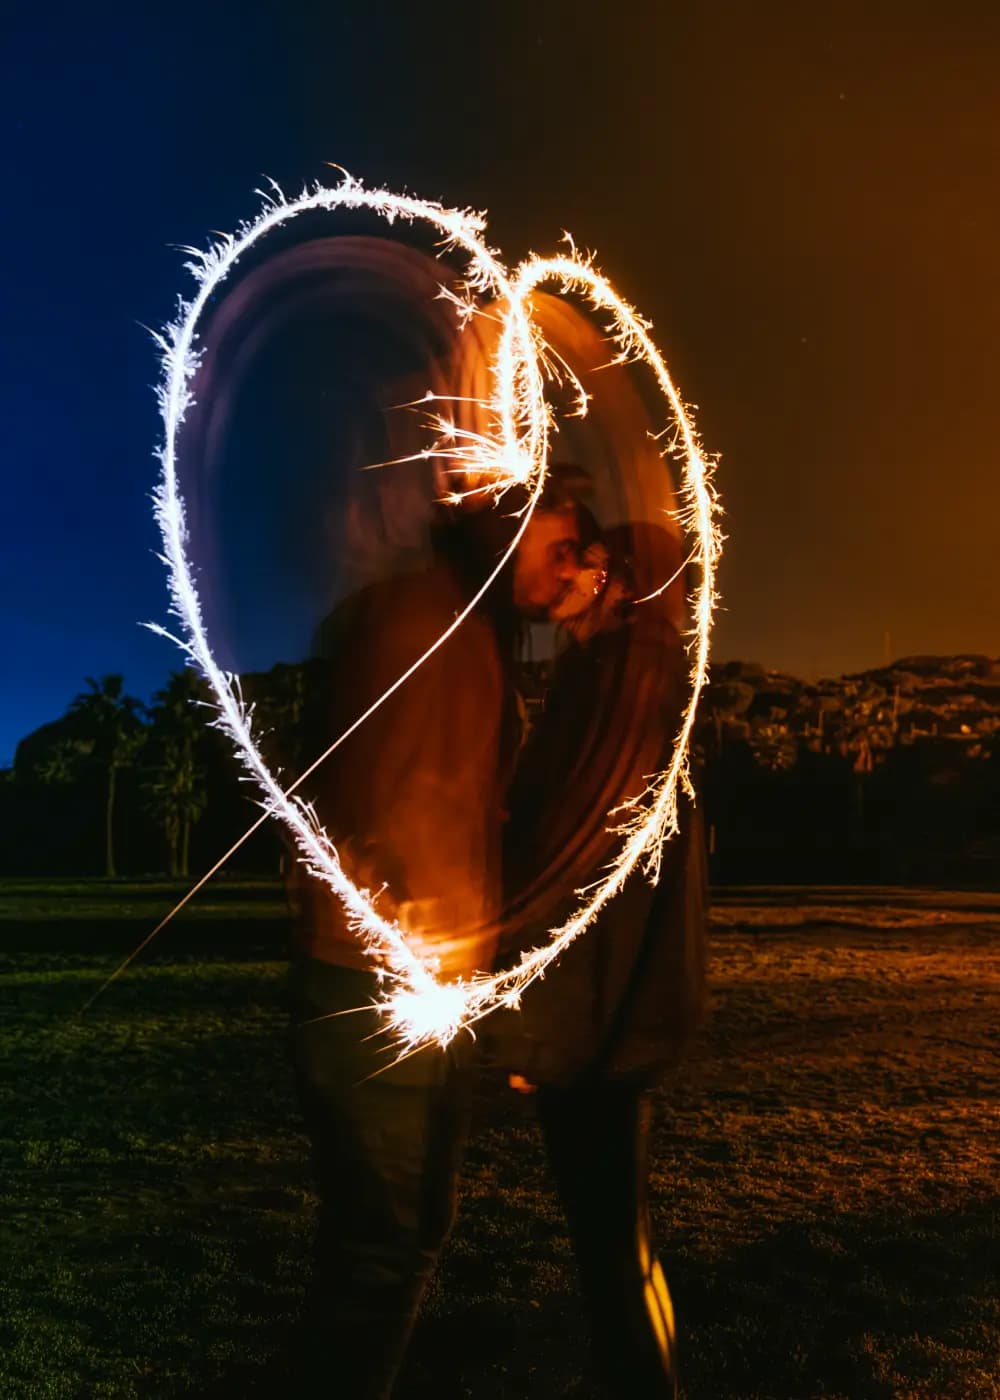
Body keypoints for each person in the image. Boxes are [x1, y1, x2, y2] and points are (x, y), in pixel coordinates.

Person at [284, 473, 589, 1399]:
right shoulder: (430, 622)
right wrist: (426, 946)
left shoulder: (471, 629)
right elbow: (393, 800)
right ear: (506, 526)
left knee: (402, 1235)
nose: (577, 567)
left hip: (416, 985)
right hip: (378, 988)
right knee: (384, 1247)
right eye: (562, 544)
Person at [491, 518, 708, 1398]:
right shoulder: (636, 673)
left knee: (611, 1238)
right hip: (624, 1010)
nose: (573, 568)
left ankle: (641, 1384)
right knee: (622, 1232)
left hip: (602, 1017)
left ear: (621, 584)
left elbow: (580, 868)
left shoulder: (621, 680)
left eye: (591, 559)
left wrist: (535, 1034)